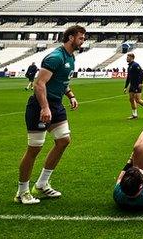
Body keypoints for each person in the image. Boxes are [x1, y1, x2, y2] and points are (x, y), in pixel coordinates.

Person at [15, 25, 84, 205]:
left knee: (63, 140)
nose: (83, 41)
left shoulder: (70, 57)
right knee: (34, 148)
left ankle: (42, 184)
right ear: (70, 38)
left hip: (56, 104)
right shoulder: (55, 57)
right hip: (40, 105)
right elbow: (39, 84)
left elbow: (62, 81)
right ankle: (22, 192)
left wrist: (71, 95)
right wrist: (45, 108)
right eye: (80, 38)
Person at [124, 53, 143, 120]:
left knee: (138, 100)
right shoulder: (129, 66)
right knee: (131, 99)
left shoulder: (135, 65)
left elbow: (141, 73)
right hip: (132, 85)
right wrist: (125, 87)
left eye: (128, 57)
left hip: (137, 85)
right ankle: (134, 114)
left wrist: (141, 83)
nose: (126, 58)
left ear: (132, 57)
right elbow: (128, 77)